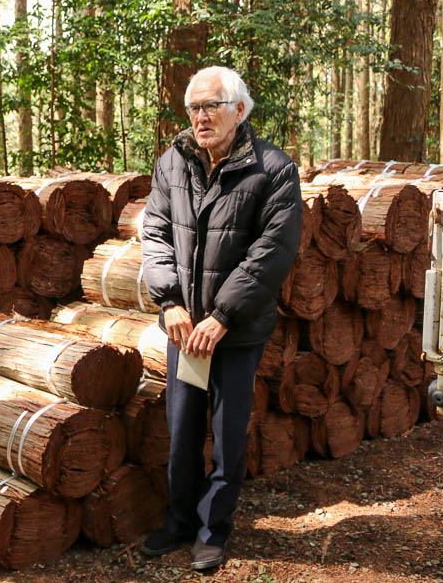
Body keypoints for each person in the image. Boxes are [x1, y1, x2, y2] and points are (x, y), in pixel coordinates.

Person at [140, 67, 302, 570]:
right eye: (193, 108)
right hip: (185, 329)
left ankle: (214, 530)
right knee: (183, 429)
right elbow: (155, 231)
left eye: (210, 106)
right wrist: (170, 302)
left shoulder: (273, 169)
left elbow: (272, 252)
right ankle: (180, 523)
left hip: (235, 332)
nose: (200, 117)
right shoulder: (173, 162)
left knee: (228, 436)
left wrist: (224, 316)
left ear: (239, 109)